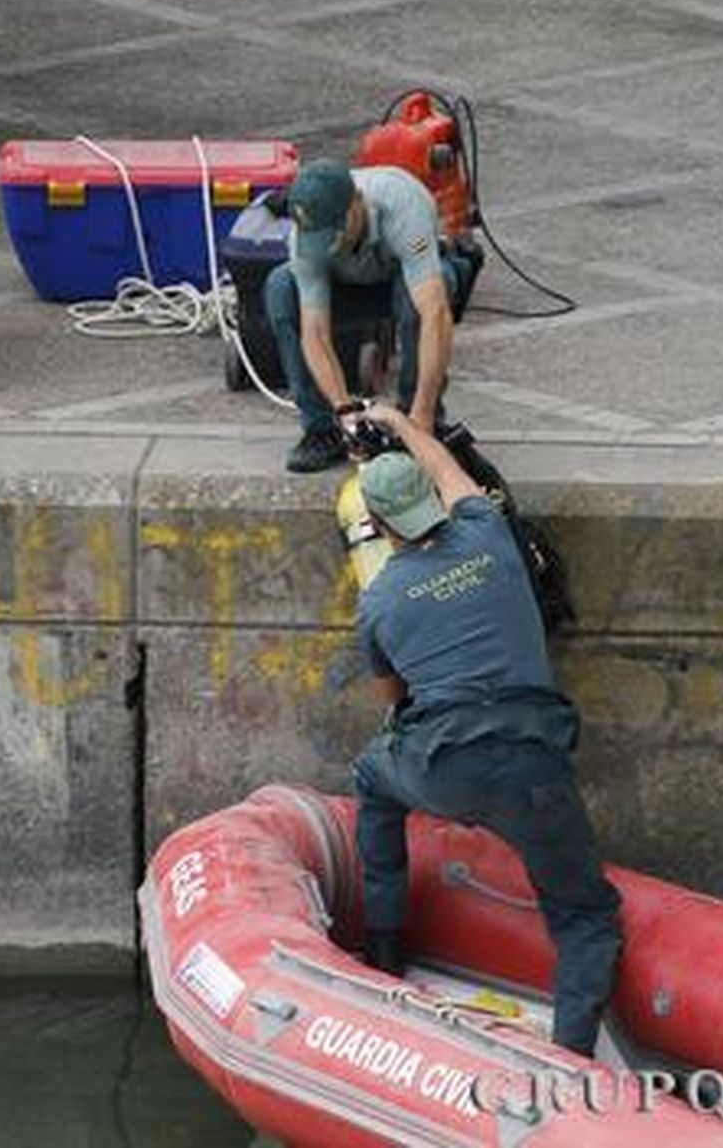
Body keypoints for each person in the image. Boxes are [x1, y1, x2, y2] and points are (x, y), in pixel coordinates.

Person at [346, 402, 622, 1057]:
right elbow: (447, 467)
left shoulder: (379, 600)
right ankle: (571, 1061)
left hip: (443, 767)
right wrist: (401, 421)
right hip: (534, 764)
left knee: (372, 777)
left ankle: (384, 947)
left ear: (378, 524)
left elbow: (393, 698)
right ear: (432, 501)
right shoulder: (487, 530)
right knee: (586, 916)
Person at [266, 157, 467, 474]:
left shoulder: (402, 204)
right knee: (280, 287)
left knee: (438, 283)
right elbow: (315, 332)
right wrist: (344, 411)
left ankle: (416, 421)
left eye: (335, 233)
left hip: (401, 280)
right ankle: (323, 430)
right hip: (343, 287)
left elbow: (435, 313)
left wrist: (422, 414)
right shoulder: (304, 238)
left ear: (356, 204)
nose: (330, 245)